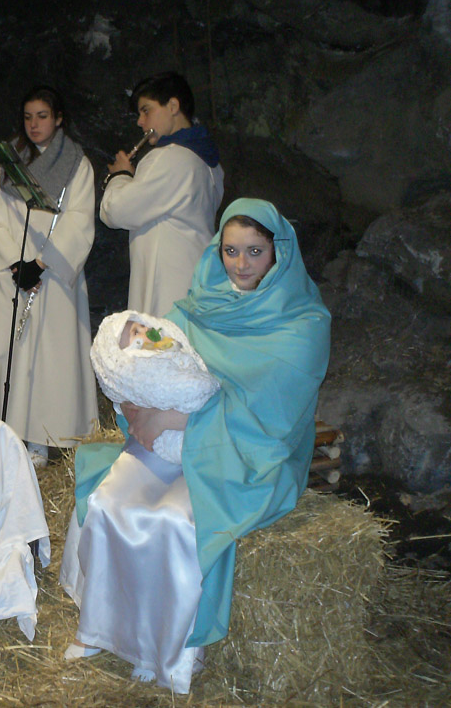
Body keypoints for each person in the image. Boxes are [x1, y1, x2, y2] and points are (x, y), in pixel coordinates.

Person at [59, 198, 331, 693]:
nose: (241, 264)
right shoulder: (200, 303)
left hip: (249, 453)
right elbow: (154, 359)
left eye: (254, 251)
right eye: (231, 250)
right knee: (112, 500)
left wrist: (168, 416)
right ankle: (100, 628)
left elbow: (269, 413)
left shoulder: (303, 324)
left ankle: (172, 653)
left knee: (176, 521)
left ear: (279, 253)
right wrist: (138, 407)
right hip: (179, 437)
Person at [0, 85, 98, 467]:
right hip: (13, 273)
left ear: (59, 118)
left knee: (50, 358)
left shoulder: (76, 164)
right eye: (28, 117)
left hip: (52, 274)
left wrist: (41, 263)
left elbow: (79, 219)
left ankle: (43, 439)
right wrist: (17, 262)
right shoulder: (7, 160)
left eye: (42, 116)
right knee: (9, 353)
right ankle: (7, 434)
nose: (34, 124)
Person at [100, 72, 224, 316]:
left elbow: (116, 211)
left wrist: (120, 176)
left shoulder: (168, 157)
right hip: (195, 280)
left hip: (166, 286)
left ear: (173, 106)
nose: (140, 122)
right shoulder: (211, 165)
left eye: (146, 111)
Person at [86, 309, 219, 466]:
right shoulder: (144, 370)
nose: (146, 330)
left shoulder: (162, 354)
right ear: (124, 355)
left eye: (143, 325)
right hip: (185, 442)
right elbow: (197, 388)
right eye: (136, 332)